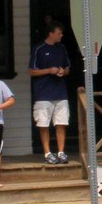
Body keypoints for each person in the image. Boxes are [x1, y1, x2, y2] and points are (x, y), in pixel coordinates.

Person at [29, 20, 71, 164]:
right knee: (43, 124)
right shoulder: (39, 48)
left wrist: (62, 71)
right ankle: (47, 153)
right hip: (43, 93)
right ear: (51, 33)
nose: (61, 35)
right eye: (59, 33)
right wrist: (49, 70)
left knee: (61, 122)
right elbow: (31, 71)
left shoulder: (62, 48)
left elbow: (67, 68)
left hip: (60, 92)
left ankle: (61, 152)